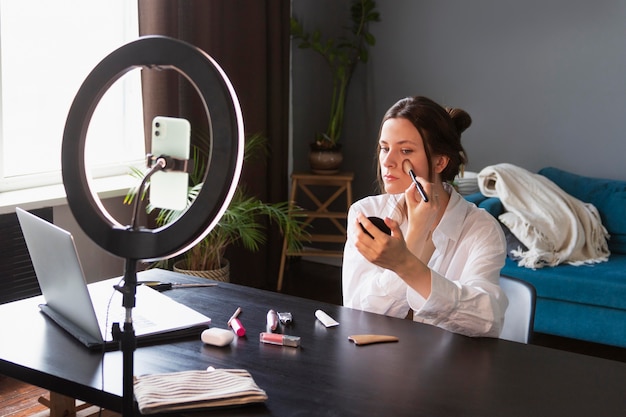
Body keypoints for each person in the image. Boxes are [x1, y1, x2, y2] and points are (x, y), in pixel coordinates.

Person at [342, 96, 508, 338]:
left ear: (440, 161)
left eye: (405, 150)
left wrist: (405, 262)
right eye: (385, 148)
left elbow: (486, 322)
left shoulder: (481, 229)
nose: (387, 161)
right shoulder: (366, 214)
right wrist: (416, 236)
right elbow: (359, 313)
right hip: (376, 362)